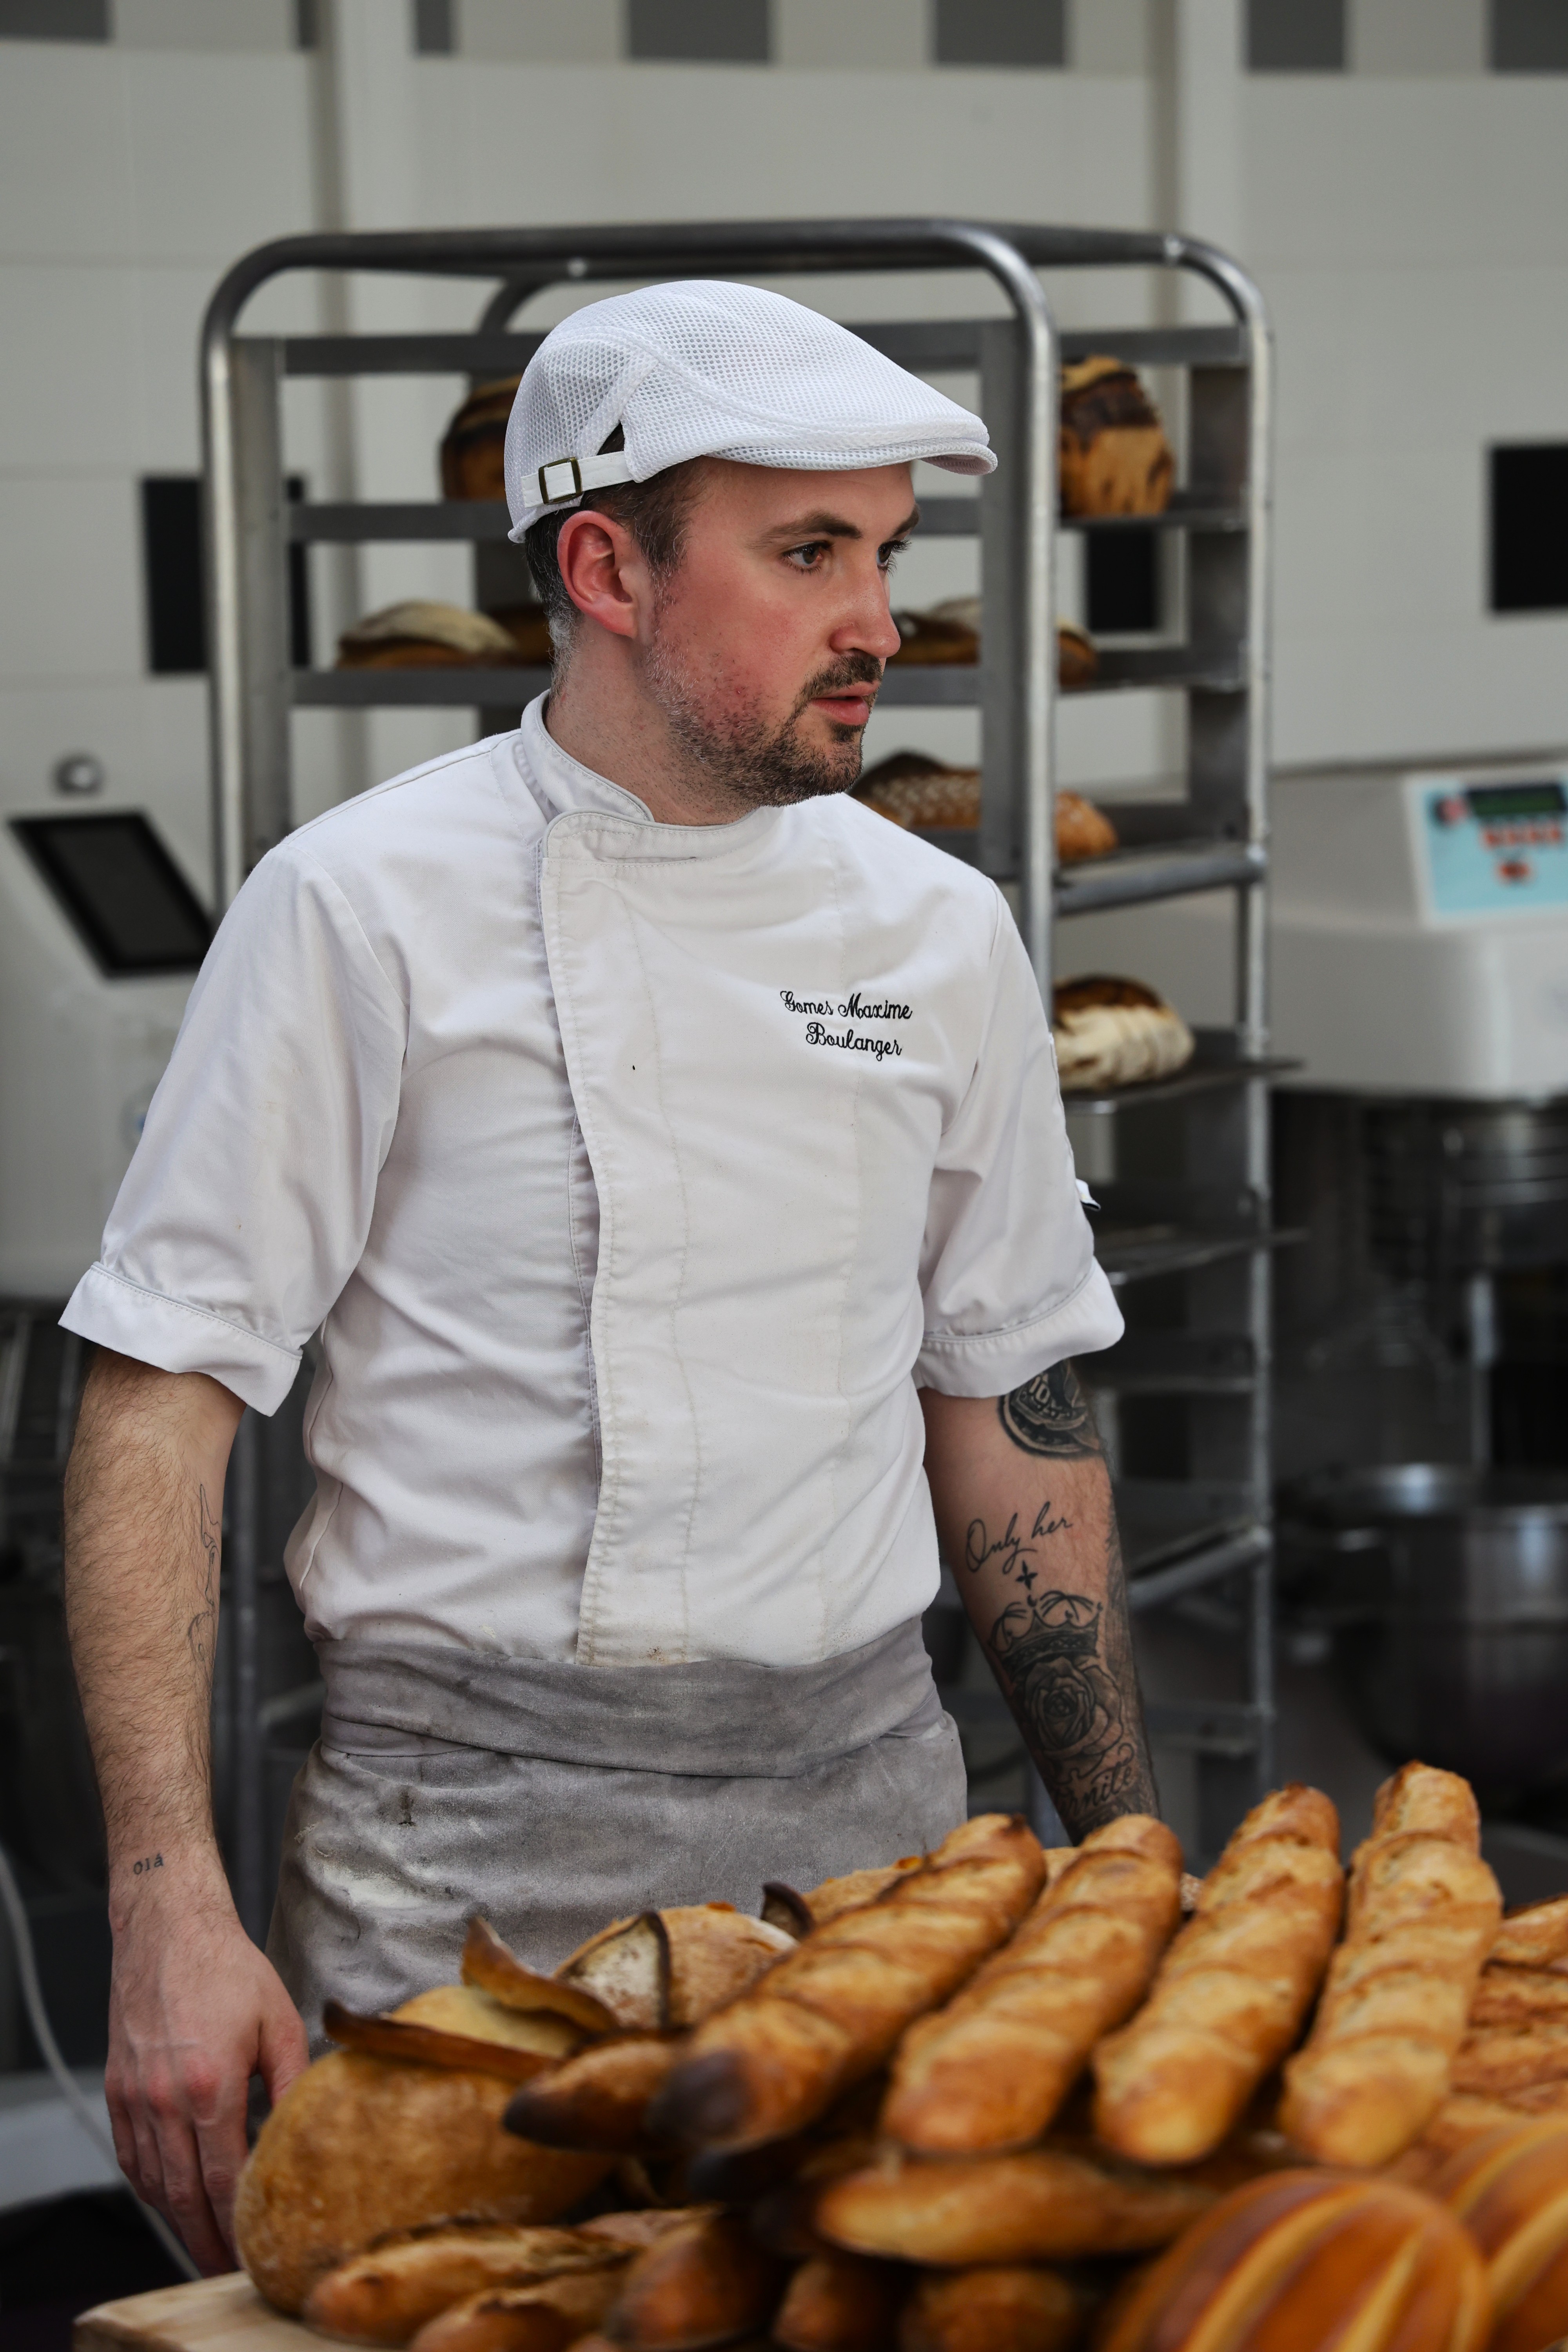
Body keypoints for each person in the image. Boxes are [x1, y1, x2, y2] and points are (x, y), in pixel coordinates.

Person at [60, 281, 1155, 2275]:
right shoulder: (358, 909)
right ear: (605, 566)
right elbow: (161, 1399)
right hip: (461, 1870)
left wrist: (1123, 1858)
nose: (877, 624)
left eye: (886, 554)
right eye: (808, 552)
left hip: (874, 1862)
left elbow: (1008, 1397)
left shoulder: (938, 929)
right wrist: (167, 1911)